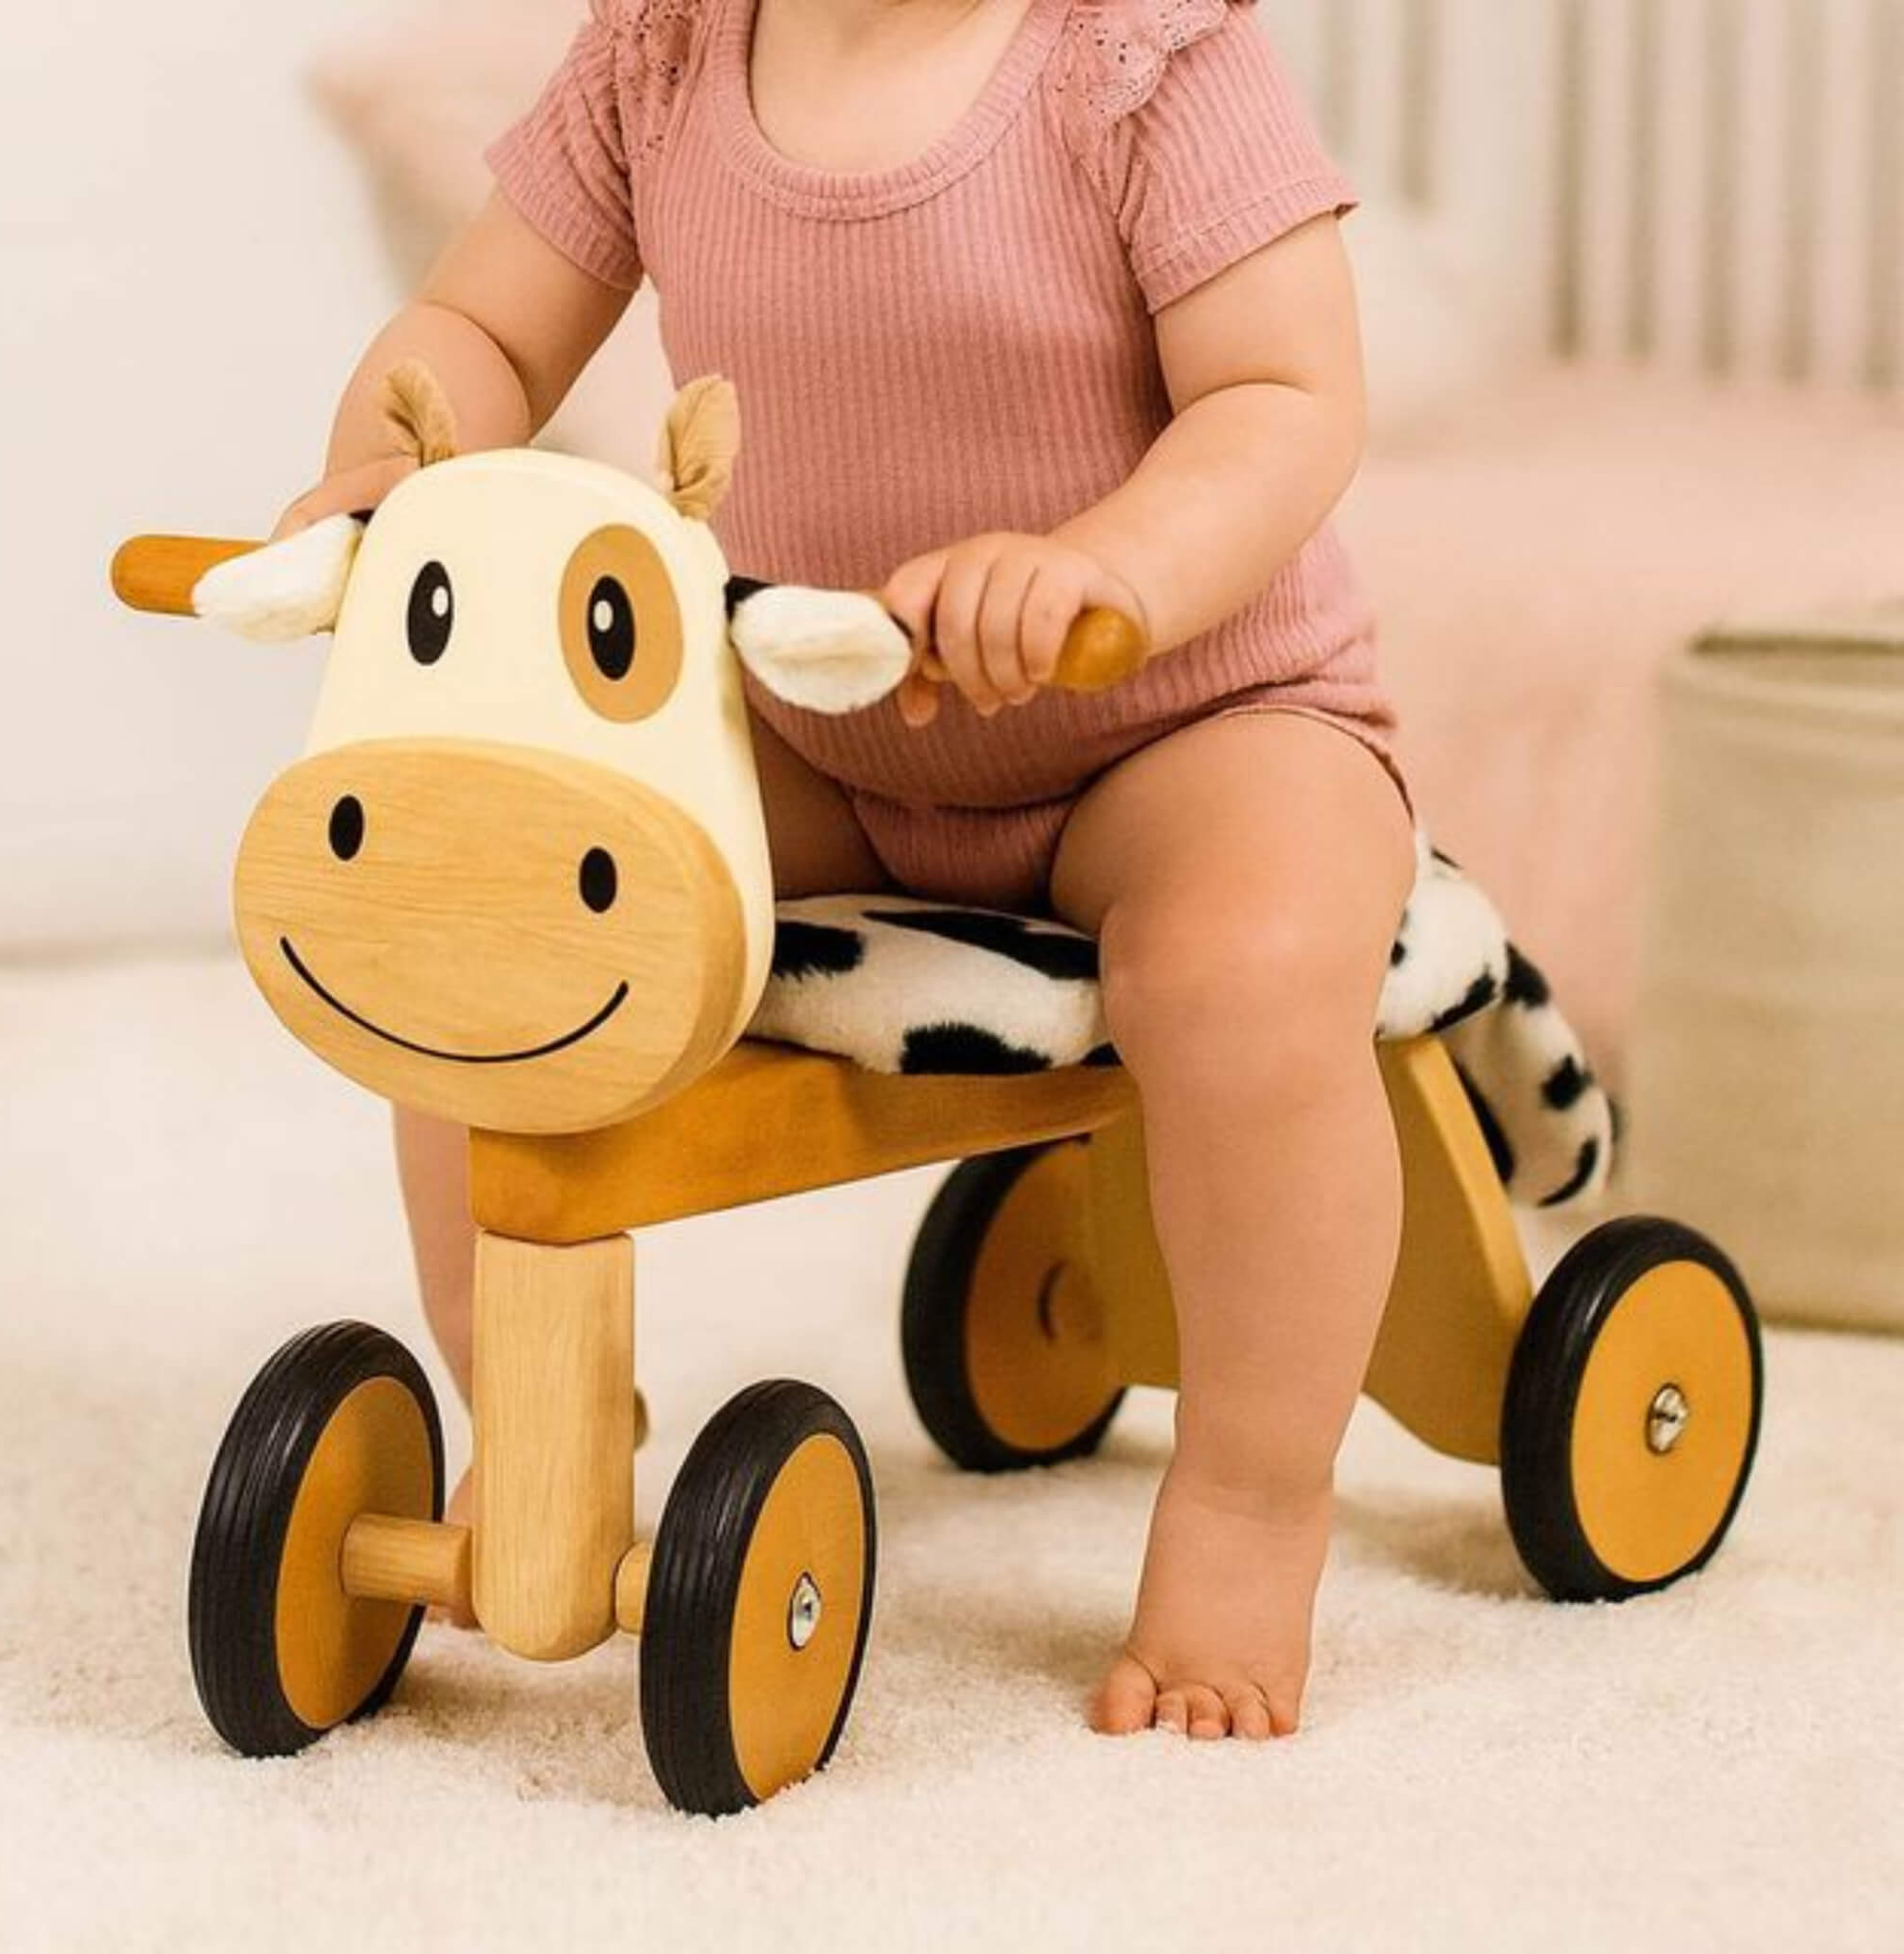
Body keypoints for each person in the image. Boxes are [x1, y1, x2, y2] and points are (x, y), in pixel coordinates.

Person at [278, 0, 1419, 1743]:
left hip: (1188, 725)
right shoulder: (663, 57)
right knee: (487, 886)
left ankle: (1255, 1499)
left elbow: (1282, 397)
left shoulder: (1144, 59)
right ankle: (538, 1410)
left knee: (1240, 971)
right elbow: (480, 325)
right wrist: (395, 469)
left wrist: (1100, 563)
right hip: (826, 716)